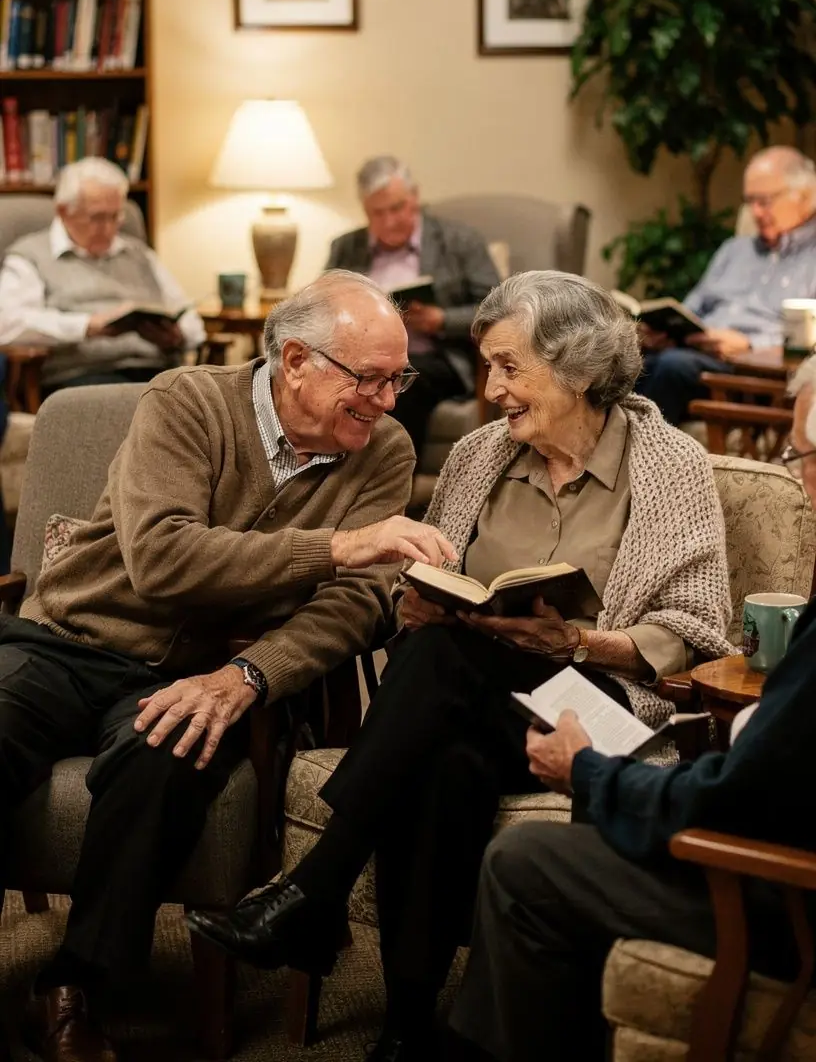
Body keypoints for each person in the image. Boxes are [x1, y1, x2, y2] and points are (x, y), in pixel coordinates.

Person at [188, 270, 734, 1062]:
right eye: (487, 366)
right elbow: (433, 586)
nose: (491, 388)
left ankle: (316, 886)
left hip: (600, 709)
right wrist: (415, 608)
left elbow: (697, 633)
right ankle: (410, 1027)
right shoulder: (480, 456)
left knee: (446, 663)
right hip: (468, 701)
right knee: (444, 751)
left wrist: (574, 642)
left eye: (510, 367)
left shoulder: (670, 465)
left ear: (578, 367)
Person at [0, 271, 453, 1062]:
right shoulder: (187, 402)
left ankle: (76, 991)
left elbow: (356, 607)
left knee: (166, 752)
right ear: (297, 361)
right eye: (369, 379)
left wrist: (252, 676)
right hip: (69, 638)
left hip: (207, 671)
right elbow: (162, 560)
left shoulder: (384, 452)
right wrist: (338, 546)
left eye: (397, 378)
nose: (387, 399)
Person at [447, 352, 816, 1062]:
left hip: (781, 894)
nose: (798, 474)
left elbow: (737, 796)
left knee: (525, 858)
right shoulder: (482, 456)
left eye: (800, 452)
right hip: (769, 836)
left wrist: (590, 774)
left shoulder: (666, 463)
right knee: (444, 720)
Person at [325, 156, 500, 457]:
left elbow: (497, 310)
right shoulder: (345, 247)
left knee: (398, 385)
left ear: (414, 197)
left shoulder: (460, 241)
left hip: (436, 358)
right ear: (365, 210)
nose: (390, 221)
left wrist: (441, 320)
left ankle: (386, 485)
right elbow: (323, 306)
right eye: (378, 213)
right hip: (356, 359)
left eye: (397, 208)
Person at [635, 146, 816, 425]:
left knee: (671, 368)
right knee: (625, 360)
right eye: (749, 201)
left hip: (751, 376)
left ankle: (635, 461)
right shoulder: (734, 250)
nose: (755, 212)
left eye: (764, 201)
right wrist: (667, 330)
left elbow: (808, 343)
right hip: (695, 354)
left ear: (804, 196)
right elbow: (692, 307)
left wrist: (750, 345)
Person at [0, 156, 205, 392]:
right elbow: (8, 324)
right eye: (97, 217)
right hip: (85, 377)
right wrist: (86, 326)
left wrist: (177, 337)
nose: (108, 228)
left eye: (116, 216)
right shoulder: (30, 256)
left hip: (159, 373)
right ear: (63, 211)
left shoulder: (140, 254)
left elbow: (190, 319)